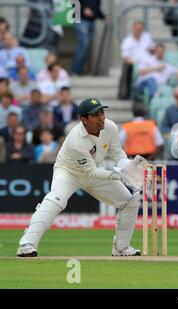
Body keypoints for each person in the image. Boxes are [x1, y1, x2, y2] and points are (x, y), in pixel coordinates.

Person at [17, 98, 146, 257]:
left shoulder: (110, 127)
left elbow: (118, 154)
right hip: (68, 172)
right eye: (95, 115)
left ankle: (121, 247)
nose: (101, 118)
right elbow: (90, 172)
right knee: (56, 200)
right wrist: (119, 175)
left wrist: (128, 166)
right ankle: (26, 244)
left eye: (102, 112)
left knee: (130, 201)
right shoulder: (75, 140)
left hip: (94, 171)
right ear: (83, 120)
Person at [71, 0, 105, 75]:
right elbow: (73, 2)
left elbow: (96, 9)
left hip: (91, 22)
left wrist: (103, 17)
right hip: (79, 19)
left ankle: (80, 70)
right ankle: (75, 70)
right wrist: (83, 9)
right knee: (84, 44)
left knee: (86, 47)